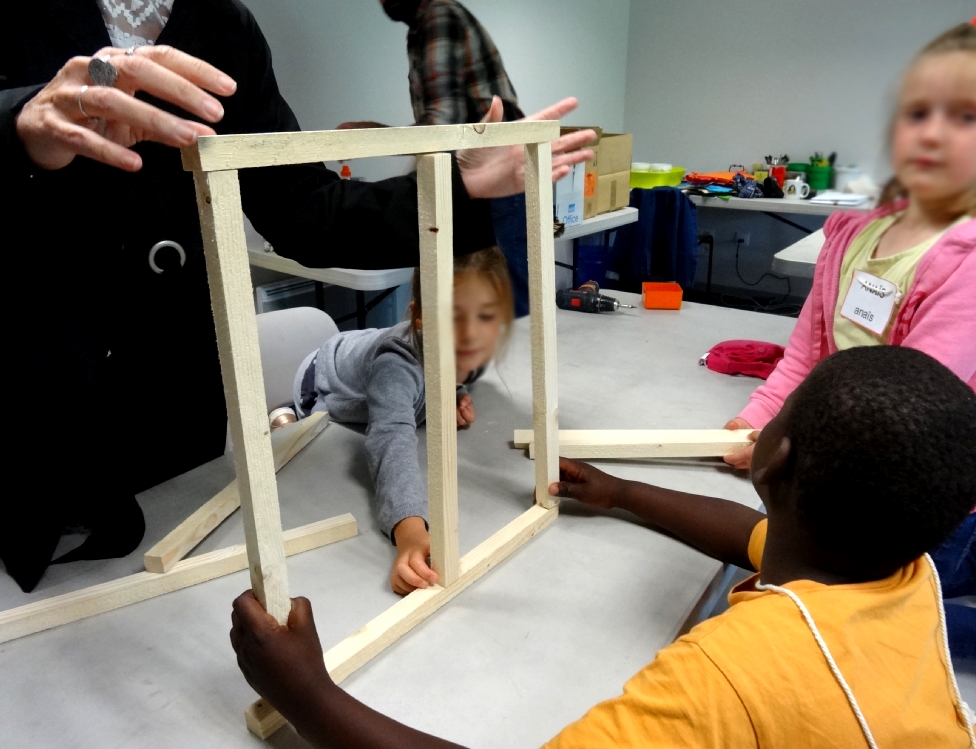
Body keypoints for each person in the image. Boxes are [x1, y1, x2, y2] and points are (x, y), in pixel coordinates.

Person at [0, 0, 594, 592]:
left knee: (185, 590)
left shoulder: (224, 25)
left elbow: (300, 207)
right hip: (42, 419)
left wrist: (457, 190)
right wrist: (16, 125)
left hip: (180, 410)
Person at [230, 346, 976, 747]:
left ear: (777, 456)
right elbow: (750, 536)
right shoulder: (902, 572)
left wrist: (308, 695)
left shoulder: (726, 675)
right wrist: (623, 492)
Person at [723, 21, 976, 659]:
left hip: (923, 483)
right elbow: (806, 355)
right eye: (918, 112)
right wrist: (758, 416)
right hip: (844, 457)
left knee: (874, 631)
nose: (931, 131)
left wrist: (787, 445)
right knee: (849, 594)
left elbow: (901, 396)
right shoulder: (854, 235)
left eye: (965, 117)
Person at [291, 247, 513, 594]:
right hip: (321, 383)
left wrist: (449, 398)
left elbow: (442, 372)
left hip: (365, 355)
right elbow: (390, 437)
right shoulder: (396, 366)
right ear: (420, 318)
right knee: (324, 429)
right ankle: (282, 417)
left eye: (486, 317)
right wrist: (409, 531)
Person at [377, 0, 534, 317]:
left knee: (504, 292)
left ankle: (506, 366)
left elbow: (442, 123)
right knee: (477, 290)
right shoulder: (422, 26)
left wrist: (374, 137)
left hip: (493, 168)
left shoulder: (438, 16)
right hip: (478, 169)